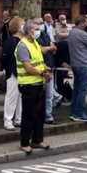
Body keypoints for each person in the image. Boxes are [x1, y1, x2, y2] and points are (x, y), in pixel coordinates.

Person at [15, 19, 52, 154]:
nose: (38, 31)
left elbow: (39, 62)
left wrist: (46, 69)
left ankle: (37, 140)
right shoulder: (23, 46)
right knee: (28, 115)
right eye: (36, 29)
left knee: (39, 114)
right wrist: (42, 73)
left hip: (38, 83)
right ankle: (25, 142)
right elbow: (28, 67)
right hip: (28, 84)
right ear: (29, 30)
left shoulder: (35, 43)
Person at [67, 15, 87, 122]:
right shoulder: (82, 34)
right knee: (83, 90)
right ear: (82, 22)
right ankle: (79, 113)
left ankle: (74, 112)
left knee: (77, 89)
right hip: (84, 63)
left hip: (75, 64)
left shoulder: (72, 32)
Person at [36, 15, 59, 124]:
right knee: (40, 94)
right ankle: (40, 115)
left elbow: (54, 48)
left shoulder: (45, 35)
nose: (41, 25)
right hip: (39, 69)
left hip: (50, 65)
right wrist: (49, 48)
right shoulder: (33, 38)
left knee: (49, 94)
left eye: (41, 23)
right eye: (38, 23)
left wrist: (49, 48)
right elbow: (41, 50)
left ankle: (48, 115)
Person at [2, 17, 24, 131]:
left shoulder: (22, 40)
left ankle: (18, 118)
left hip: (21, 72)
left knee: (20, 96)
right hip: (12, 71)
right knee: (12, 96)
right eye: (22, 24)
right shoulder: (11, 41)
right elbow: (4, 57)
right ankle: (8, 120)